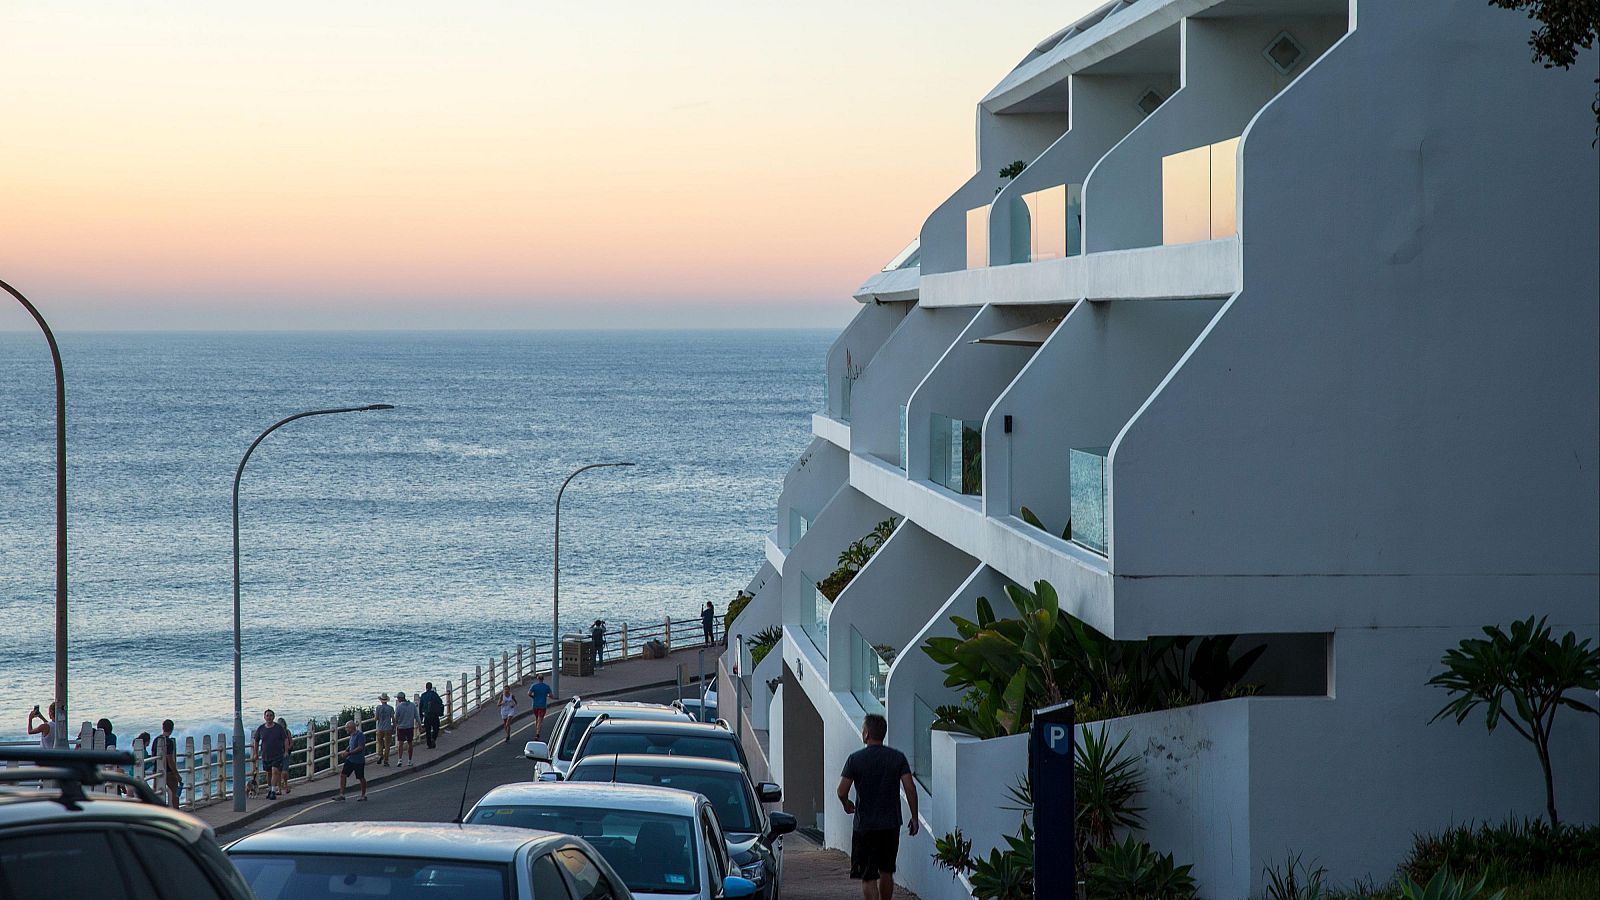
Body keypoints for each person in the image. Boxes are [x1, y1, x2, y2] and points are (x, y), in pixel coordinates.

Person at [837, 713, 917, 900]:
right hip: (890, 825)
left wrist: (846, 803)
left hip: (865, 826)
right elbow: (910, 788)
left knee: (868, 876)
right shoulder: (897, 758)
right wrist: (914, 817)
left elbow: (841, 790)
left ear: (866, 734)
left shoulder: (855, 759)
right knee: (887, 871)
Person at [252, 709, 290, 800]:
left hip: (277, 754)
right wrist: (255, 753)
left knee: (275, 771)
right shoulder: (261, 728)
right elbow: (256, 741)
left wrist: (286, 751)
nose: (269, 717)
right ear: (264, 717)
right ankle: (270, 790)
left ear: (273, 717)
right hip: (266, 755)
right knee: (268, 773)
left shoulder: (278, 728)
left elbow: (285, 739)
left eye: (270, 715)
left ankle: (273, 791)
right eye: (267, 715)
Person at [333, 720, 368, 801]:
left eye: (347, 728)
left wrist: (349, 753)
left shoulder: (360, 735)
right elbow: (351, 745)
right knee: (343, 775)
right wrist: (346, 751)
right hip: (351, 759)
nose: (346, 730)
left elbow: (360, 748)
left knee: (361, 777)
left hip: (358, 760)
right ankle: (341, 794)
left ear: (351, 728)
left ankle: (363, 795)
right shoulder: (352, 735)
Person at [153, 719, 181, 808]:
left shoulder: (156, 740)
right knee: (175, 792)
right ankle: (176, 812)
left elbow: (153, 757)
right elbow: (170, 760)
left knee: (157, 792)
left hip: (157, 770)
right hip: (168, 771)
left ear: (163, 727)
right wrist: (176, 774)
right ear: (172, 729)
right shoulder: (169, 742)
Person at [393, 691, 417, 766]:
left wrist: (394, 726)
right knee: (410, 743)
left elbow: (396, 718)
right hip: (410, 726)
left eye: (398, 698)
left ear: (400, 698)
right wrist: (419, 725)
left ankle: (400, 760)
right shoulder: (412, 705)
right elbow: (416, 716)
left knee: (400, 743)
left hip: (401, 727)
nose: (397, 699)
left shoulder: (399, 707)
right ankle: (409, 761)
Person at [418, 682, 443, 749]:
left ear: (426, 687)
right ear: (431, 687)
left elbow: (420, 706)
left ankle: (429, 744)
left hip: (427, 715)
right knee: (436, 728)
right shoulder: (435, 694)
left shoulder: (423, 695)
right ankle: (433, 739)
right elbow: (440, 702)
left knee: (427, 730)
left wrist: (421, 717)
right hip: (435, 715)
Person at [375, 693, 396, 766]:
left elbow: (376, 718)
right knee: (387, 745)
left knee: (380, 743)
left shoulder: (378, 708)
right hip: (388, 728)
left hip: (380, 728)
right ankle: (386, 761)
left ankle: (380, 755)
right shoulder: (390, 708)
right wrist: (394, 727)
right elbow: (393, 719)